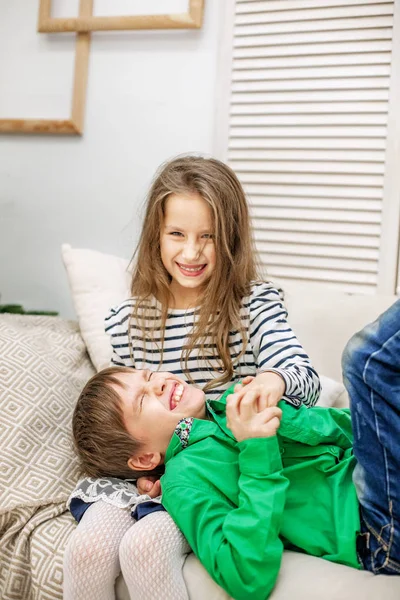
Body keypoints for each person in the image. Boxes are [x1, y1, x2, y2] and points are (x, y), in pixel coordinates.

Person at [63, 155, 321, 600]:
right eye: (176, 235)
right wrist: (140, 473)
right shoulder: (128, 321)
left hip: (212, 473)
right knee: (87, 549)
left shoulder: (253, 306)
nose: (191, 253)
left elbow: (304, 376)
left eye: (209, 237)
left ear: (232, 239)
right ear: (155, 236)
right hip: (147, 471)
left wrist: (272, 383)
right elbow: (121, 418)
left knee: (146, 545)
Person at [72, 299, 400, 599]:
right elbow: (245, 577)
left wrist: (282, 415)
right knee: (368, 361)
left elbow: (346, 428)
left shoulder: (230, 402)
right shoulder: (185, 481)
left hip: (377, 475)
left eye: (147, 375)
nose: (157, 382)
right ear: (145, 458)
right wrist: (257, 448)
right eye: (143, 399)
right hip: (372, 527)